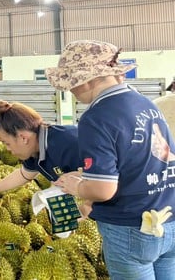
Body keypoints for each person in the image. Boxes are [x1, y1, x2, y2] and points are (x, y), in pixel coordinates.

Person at [46, 40, 175, 280]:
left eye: (70, 84)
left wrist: (78, 186)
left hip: (131, 228)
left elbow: (103, 190)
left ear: (84, 79)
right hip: (169, 218)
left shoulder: (96, 117)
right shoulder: (145, 103)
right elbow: (151, 158)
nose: (69, 90)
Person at [0, 100, 82, 200]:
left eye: (7, 143)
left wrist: (83, 179)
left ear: (23, 138)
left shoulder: (68, 143)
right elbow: (23, 175)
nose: (7, 149)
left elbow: (97, 176)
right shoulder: (35, 150)